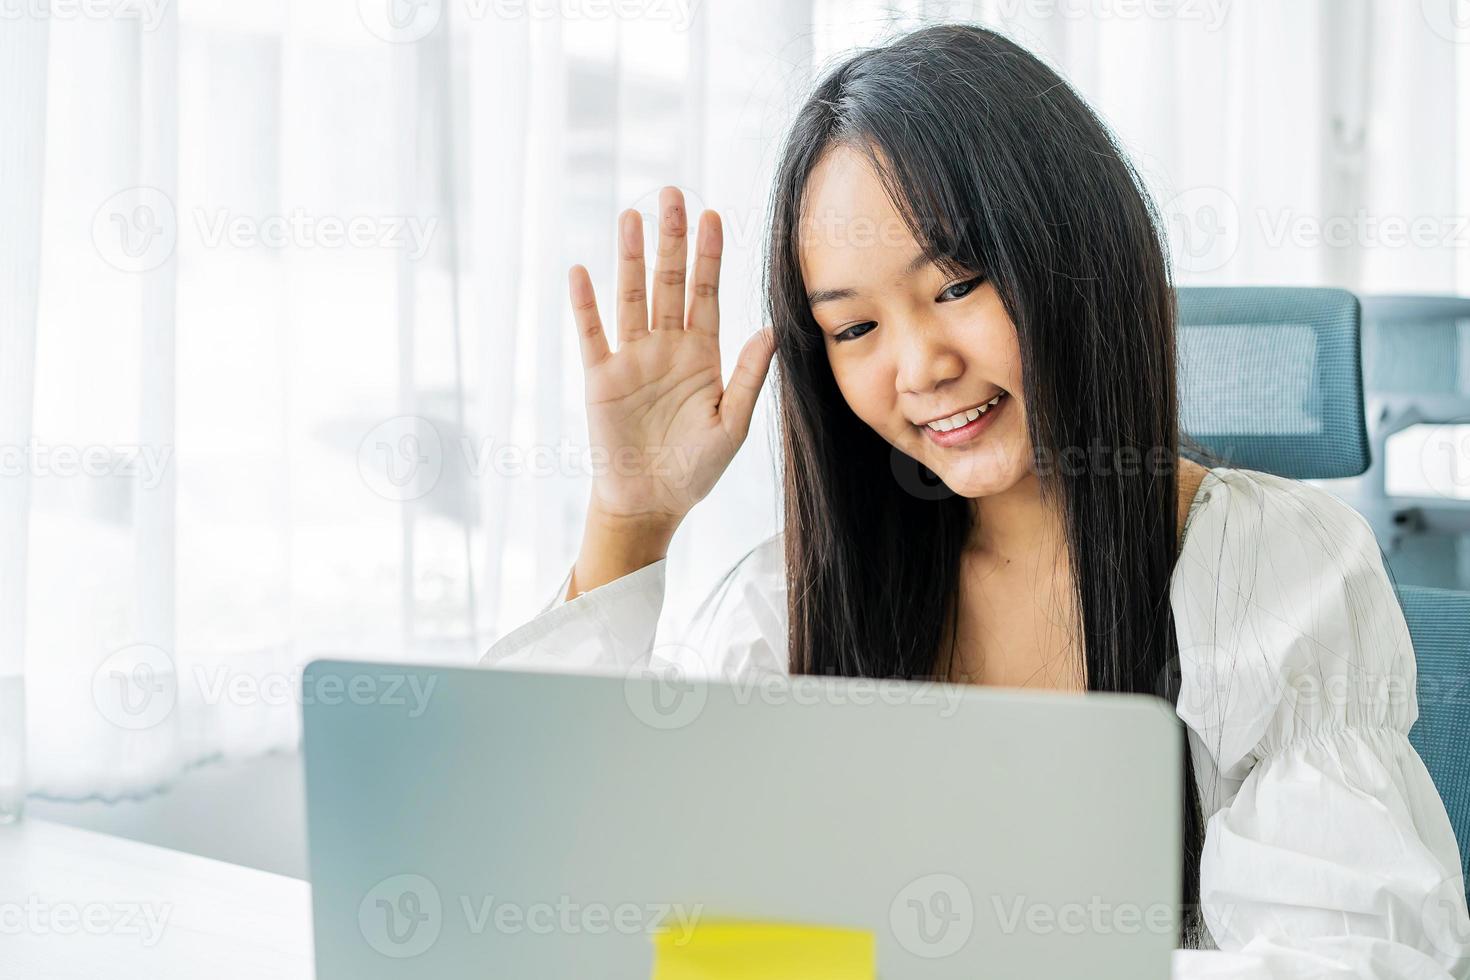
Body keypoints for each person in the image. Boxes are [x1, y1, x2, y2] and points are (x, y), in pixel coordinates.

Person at [481, 22, 1470, 979]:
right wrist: (633, 516)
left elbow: (1354, 958)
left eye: (956, 285)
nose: (922, 364)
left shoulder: (1276, 571)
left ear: (1079, 256)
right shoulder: (790, 597)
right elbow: (551, 888)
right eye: (855, 325)